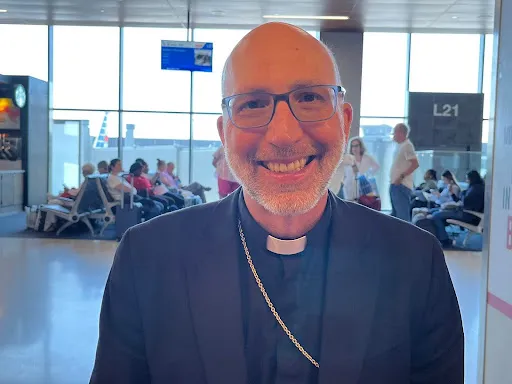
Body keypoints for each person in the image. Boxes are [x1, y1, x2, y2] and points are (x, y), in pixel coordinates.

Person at [91, 23, 463, 384]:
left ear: (344, 122)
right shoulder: (148, 259)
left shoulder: (414, 261)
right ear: (224, 132)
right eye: (252, 104)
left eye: (310, 98)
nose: (284, 134)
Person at [429, 170, 485, 247]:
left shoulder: (475, 190)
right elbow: (462, 201)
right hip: (465, 213)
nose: (466, 180)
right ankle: (442, 238)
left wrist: (456, 204)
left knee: (436, 216)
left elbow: (466, 203)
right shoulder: (475, 188)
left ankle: (444, 240)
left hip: (467, 215)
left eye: (467, 178)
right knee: (436, 213)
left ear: (472, 178)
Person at [390, 123, 419, 221]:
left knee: (402, 218)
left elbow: (415, 164)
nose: (393, 135)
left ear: (401, 133)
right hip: (396, 185)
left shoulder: (407, 146)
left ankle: (405, 236)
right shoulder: (401, 147)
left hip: (401, 186)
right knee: (395, 217)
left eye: (394, 133)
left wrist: (401, 177)